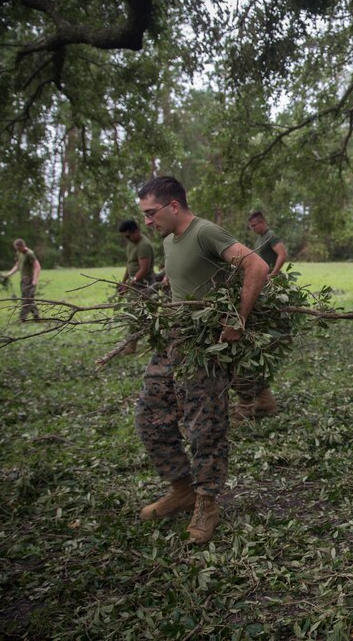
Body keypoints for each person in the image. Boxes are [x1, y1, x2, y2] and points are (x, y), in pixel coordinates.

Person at [134, 176, 269, 545]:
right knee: (149, 416)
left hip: (204, 349)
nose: (147, 220)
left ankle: (207, 502)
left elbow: (256, 267)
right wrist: (165, 286)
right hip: (172, 344)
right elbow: (185, 278)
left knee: (204, 427)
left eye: (151, 212)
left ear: (173, 206)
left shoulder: (206, 232)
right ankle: (182, 490)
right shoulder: (168, 240)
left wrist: (238, 320)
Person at [229, 210, 290, 420]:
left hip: (269, 285)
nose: (253, 228)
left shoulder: (271, 236)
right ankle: (264, 402)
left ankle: (252, 404)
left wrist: (273, 273)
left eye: (255, 225)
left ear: (262, 222)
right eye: (251, 226)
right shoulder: (259, 238)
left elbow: (282, 254)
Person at [116, 219, 156, 355]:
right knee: (132, 314)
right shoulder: (131, 243)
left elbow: (144, 269)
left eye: (128, 236)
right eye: (125, 237)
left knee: (139, 315)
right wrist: (123, 282)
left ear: (136, 231)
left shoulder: (143, 245)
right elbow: (130, 265)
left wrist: (130, 284)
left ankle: (132, 346)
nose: (127, 239)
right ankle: (132, 343)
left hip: (144, 285)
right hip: (134, 284)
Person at [3, 238, 41, 321]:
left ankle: (22, 318)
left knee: (26, 299)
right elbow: (17, 266)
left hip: (29, 279)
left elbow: (37, 267)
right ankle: (37, 317)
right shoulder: (19, 253)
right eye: (16, 249)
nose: (17, 250)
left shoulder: (29, 254)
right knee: (29, 299)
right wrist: (9, 274)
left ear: (23, 246)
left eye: (18, 248)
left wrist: (34, 281)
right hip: (23, 280)